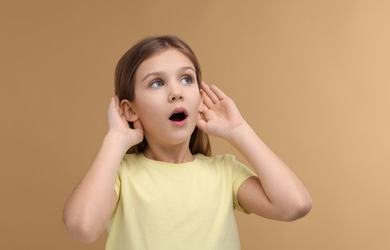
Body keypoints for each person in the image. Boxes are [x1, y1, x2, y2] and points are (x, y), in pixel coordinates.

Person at [63, 35, 312, 250]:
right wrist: (115, 140)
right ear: (130, 110)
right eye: (157, 83)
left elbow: (295, 205)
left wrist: (239, 130)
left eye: (186, 79)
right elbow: (83, 227)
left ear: (199, 98)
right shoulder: (120, 175)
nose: (176, 92)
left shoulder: (225, 172)